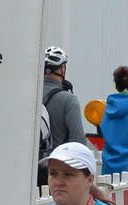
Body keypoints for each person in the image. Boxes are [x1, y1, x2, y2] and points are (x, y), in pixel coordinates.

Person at [38, 46, 88, 185]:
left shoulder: (28, 95)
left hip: (28, 169)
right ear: (62, 69)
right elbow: (78, 140)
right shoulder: (68, 99)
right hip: (56, 173)